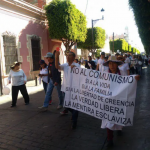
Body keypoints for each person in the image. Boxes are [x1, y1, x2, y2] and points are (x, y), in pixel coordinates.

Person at [102, 55, 140, 147]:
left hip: (119, 100)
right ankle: (110, 139)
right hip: (109, 101)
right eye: (110, 63)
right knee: (109, 119)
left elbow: (128, 81)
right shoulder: (104, 75)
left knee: (119, 116)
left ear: (117, 64)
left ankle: (119, 129)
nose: (112, 66)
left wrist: (134, 78)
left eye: (114, 63)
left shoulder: (122, 73)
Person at [55, 50, 80, 129]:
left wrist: (75, 68)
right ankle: (74, 113)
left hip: (74, 90)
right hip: (66, 89)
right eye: (67, 55)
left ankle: (74, 121)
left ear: (73, 57)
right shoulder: (65, 65)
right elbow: (57, 67)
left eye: (69, 55)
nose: (67, 57)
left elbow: (80, 74)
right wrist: (56, 57)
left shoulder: (77, 65)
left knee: (75, 105)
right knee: (67, 105)